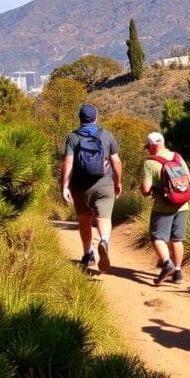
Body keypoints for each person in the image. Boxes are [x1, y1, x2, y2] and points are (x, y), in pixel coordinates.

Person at [61, 104, 122, 272]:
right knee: (104, 218)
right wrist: (118, 182)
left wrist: (65, 186)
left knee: (84, 220)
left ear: (80, 119)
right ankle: (103, 241)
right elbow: (116, 161)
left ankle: (88, 255)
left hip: (80, 186)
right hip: (104, 184)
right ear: (96, 117)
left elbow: (68, 162)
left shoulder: (73, 137)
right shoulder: (107, 136)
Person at [140, 132, 190, 285]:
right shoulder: (177, 157)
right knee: (177, 239)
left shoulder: (149, 163)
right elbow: (189, 180)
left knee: (157, 237)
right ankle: (177, 272)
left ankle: (166, 262)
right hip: (182, 205)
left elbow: (145, 190)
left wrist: (147, 190)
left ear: (151, 146)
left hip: (163, 207)